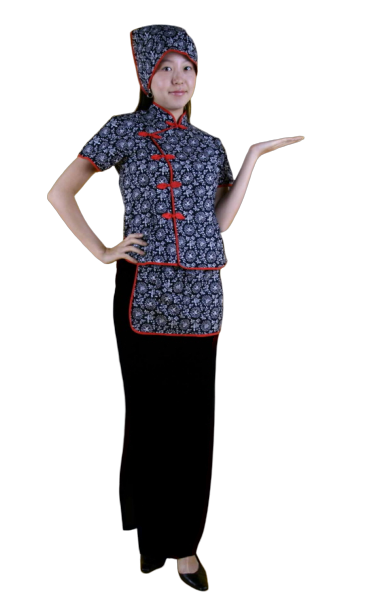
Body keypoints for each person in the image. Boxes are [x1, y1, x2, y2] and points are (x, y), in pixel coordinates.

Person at [47, 23, 304, 592]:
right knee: (147, 416)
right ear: (146, 75)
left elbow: (220, 222)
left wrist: (252, 157)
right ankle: (149, 535)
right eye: (165, 68)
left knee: (195, 424)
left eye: (187, 67)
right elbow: (60, 191)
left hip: (203, 295)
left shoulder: (210, 143)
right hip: (144, 289)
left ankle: (185, 547)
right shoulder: (124, 128)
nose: (178, 78)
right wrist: (103, 251)